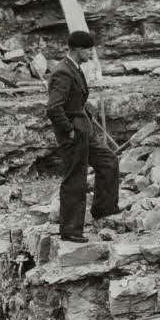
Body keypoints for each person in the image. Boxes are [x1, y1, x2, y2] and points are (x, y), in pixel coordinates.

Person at [45, 30, 120, 243]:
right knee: (75, 180)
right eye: (88, 49)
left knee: (108, 161)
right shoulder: (63, 72)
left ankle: (104, 210)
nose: (91, 53)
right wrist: (68, 129)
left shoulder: (74, 68)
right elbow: (54, 108)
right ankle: (70, 231)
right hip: (73, 134)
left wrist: (86, 113)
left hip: (83, 130)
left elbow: (73, 101)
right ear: (78, 49)